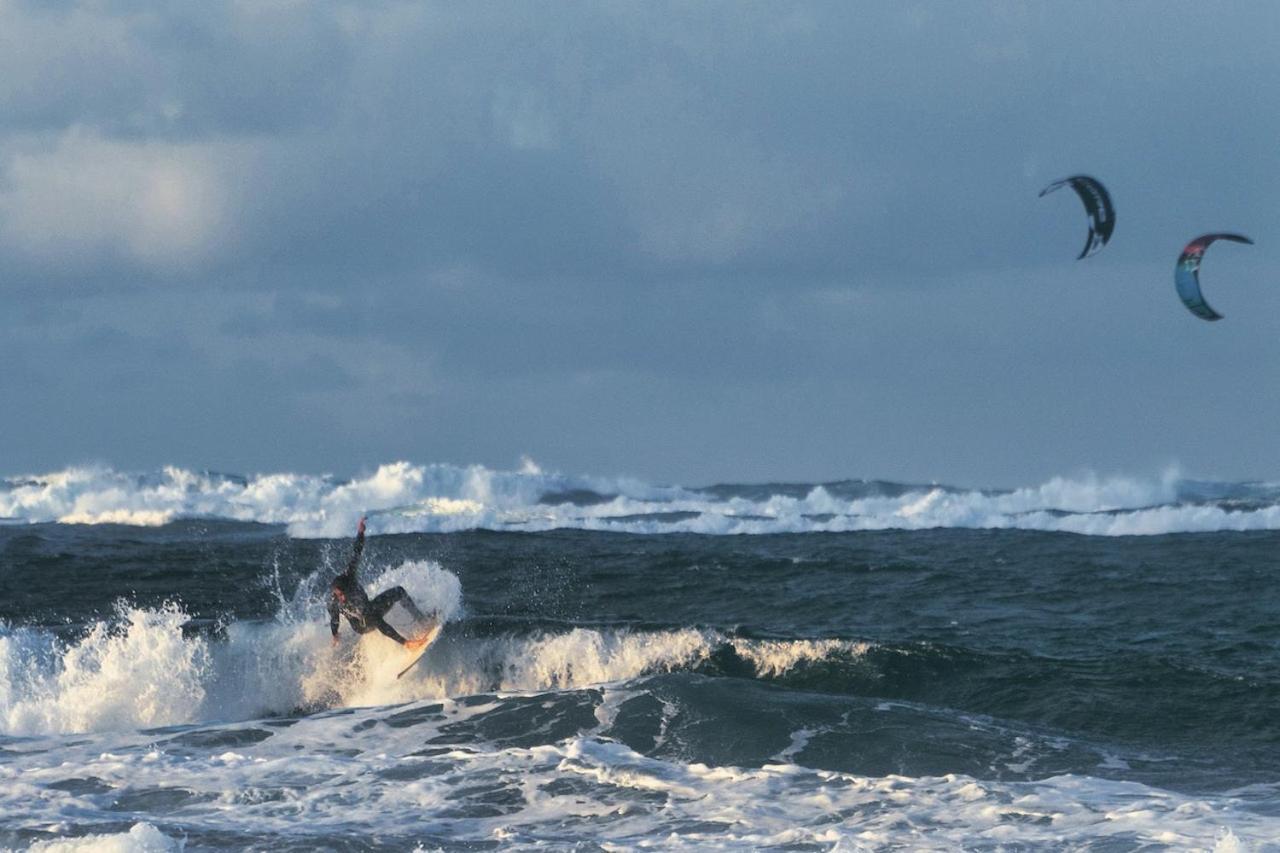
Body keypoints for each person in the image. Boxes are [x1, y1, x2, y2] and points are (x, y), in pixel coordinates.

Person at [328, 516, 434, 649]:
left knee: (399, 591)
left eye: (343, 594)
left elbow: (357, 551)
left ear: (348, 586)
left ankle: (423, 621)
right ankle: (406, 643)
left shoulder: (350, 576)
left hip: (369, 608)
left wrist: (360, 532)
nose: (342, 598)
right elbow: (334, 620)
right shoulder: (334, 601)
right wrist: (335, 634)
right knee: (373, 617)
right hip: (361, 625)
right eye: (339, 596)